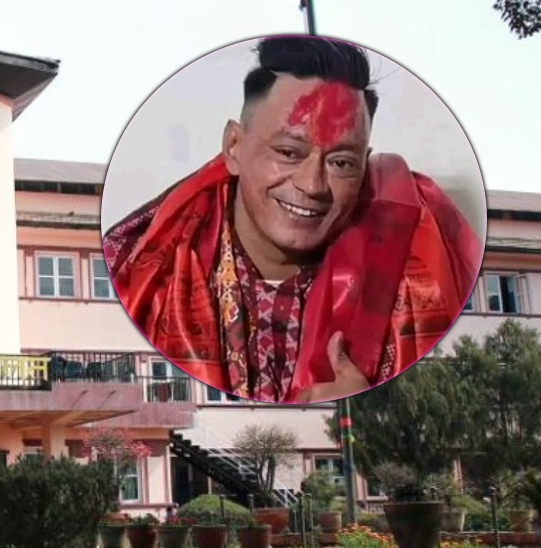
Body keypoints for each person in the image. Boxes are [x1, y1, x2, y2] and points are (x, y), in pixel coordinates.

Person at [103, 35, 482, 404]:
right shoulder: (143, 277)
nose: (312, 185)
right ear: (233, 147)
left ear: (364, 165)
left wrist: (366, 404)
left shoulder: (409, 271)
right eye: (288, 152)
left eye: (341, 163)